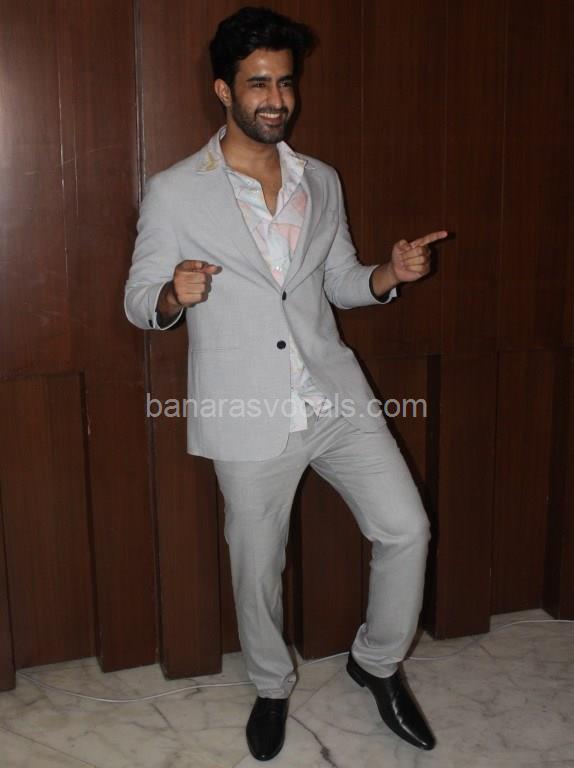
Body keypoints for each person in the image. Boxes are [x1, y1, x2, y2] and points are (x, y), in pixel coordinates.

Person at [125, 6, 447, 761]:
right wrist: (172, 294)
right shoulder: (175, 192)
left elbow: (339, 281)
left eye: (285, 83)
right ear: (223, 90)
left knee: (407, 528)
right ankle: (271, 686)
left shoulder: (320, 181)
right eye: (258, 83)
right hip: (245, 410)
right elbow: (138, 300)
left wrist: (388, 274)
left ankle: (376, 664)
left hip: (334, 397)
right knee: (257, 568)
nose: (276, 99)